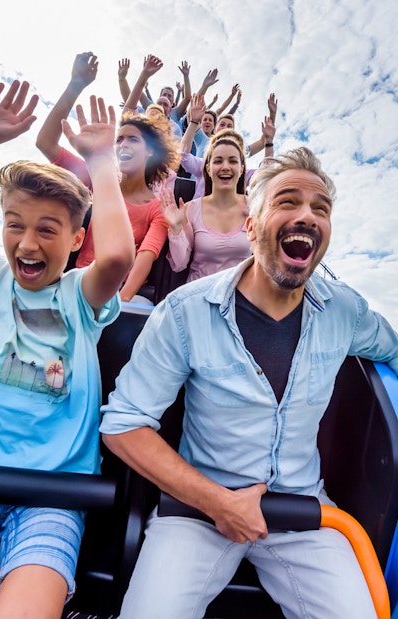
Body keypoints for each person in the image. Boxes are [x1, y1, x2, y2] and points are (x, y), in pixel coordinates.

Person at [100, 146, 398, 619]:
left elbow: (393, 348)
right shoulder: (183, 313)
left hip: (304, 513)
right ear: (252, 226)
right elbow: (123, 426)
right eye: (287, 202)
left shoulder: (347, 311)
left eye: (320, 209)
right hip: (198, 513)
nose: (307, 215)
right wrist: (218, 503)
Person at [0, 81, 135, 619]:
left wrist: (102, 163)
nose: (27, 244)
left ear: (75, 240)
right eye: (15, 226)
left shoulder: (79, 297)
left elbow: (117, 257)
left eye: (47, 230)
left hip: (56, 495)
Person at [36, 52, 181, 303]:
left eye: (133, 139)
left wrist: (114, 305)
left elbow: (145, 257)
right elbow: (46, 143)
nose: (123, 145)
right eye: (119, 139)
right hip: (80, 280)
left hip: (121, 293)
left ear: (150, 151)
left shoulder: (157, 208)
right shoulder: (100, 179)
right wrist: (75, 86)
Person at [160, 127, 251, 282]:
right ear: (208, 169)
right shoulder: (191, 208)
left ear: (241, 169)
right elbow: (179, 265)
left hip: (240, 298)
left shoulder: (254, 208)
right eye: (218, 161)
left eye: (233, 161)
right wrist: (176, 230)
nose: (225, 167)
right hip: (199, 295)